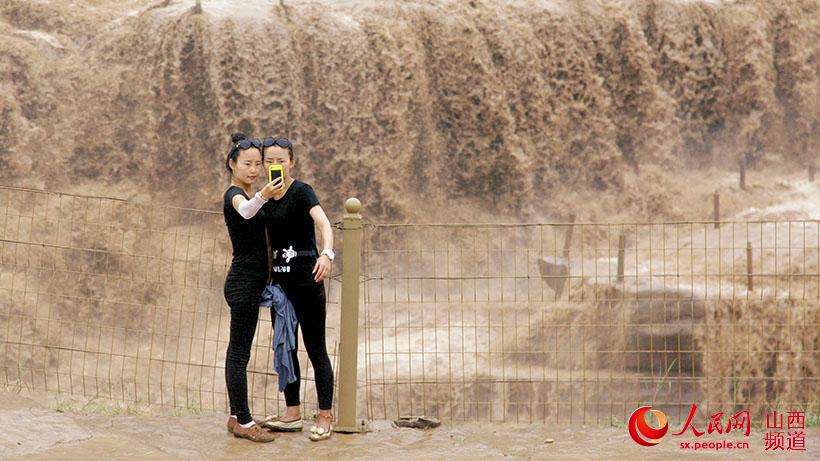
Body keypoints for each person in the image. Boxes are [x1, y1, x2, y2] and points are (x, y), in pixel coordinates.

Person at [258, 137, 336, 441]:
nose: (275, 165)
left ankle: (325, 416)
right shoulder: (263, 198)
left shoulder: (302, 192)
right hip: (279, 289)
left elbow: (324, 224)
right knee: (285, 347)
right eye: (269, 161)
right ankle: (292, 413)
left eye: (281, 160)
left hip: (307, 281)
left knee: (316, 349)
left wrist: (326, 254)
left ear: (292, 163)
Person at [222, 132, 283, 442]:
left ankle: (237, 417)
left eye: (258, 164)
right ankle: (245, 422)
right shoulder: (234, 194)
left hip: (252, 283)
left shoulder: (250, 194)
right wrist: (264, 195)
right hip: (242, 284)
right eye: (247, 164)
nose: (254, 170)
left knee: (239, 352)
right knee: (238, 355)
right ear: (232, 164)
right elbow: (245, 210)